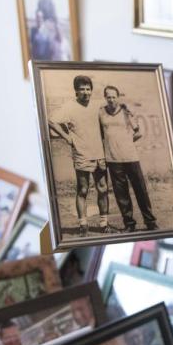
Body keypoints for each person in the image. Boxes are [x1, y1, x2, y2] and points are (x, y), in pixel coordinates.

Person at [49, 75, 109, 236]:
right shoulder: (69, 107)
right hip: (82, 153)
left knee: (102, 188)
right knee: (83, 189)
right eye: (82, 89)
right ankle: (83, 224)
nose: (85, 92)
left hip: (100, 154)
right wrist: (66, 137)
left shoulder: (97, 105)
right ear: (76, 91)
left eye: (88, 89)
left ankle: (104, 223)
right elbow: (52, 121)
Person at [99, 86, 157, 232]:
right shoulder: (101, 113)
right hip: (112, 160)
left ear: (118, 97)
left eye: (114, 97)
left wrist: (126, 142)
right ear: (105, 97)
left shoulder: (126, 111)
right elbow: (100, 135)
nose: (111, 99)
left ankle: (150, 222)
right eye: (108, 97)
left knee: (141, 191)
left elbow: (139, 132)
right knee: (121, 195)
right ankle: (129, 225)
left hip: (130, 157)